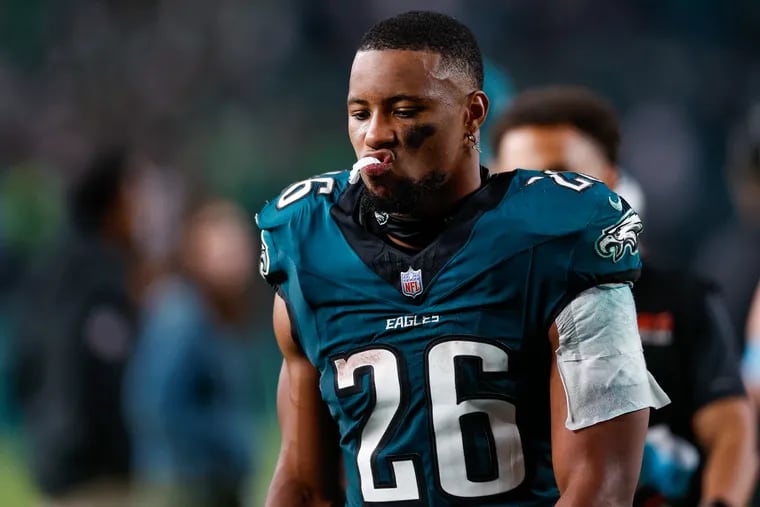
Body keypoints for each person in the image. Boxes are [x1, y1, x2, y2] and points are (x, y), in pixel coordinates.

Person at [257, 11, 669, 506]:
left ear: (473, 114)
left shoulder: (561, 238)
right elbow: (302, 485)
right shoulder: (308, 248)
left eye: (405, 111)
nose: (376, 135)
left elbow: (599, 485)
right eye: (360, 113)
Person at [490, 84, 757, 507]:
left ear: (610, 182)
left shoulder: (680, 301)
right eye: (520, 182)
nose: (539, 199)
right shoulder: (469, 311)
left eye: (561, 179)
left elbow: (731, 431)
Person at [13, 148, 139, 507]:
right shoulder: (101, 276)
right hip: (94, 473)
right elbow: (105, 375)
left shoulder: (48, 269)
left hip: (53, 462)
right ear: (112, 201)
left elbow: (24, 367)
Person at [124, 199, 259, 507]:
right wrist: (222, 446)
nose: (236, 261)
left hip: (213, 485)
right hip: (186, 486)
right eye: (224, 251)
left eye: (240, 251)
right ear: (197, 254)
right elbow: (154, 405)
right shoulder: (180, 312)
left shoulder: (218, 312)